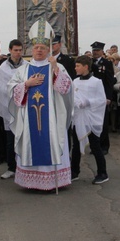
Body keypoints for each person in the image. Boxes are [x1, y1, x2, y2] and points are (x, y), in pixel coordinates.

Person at [7, 18, 73, 191]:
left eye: (42, 48)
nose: (39, 50)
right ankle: (31, 182)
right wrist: (26, 84)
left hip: (52, 119)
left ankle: (52, 182)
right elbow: (11, 91)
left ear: (48, 49)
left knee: (50, 139)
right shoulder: (23, 70)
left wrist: (56, 70)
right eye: (36, 47)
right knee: (32, 139)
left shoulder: (55, 67)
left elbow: (66, 88)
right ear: (32, 48)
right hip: (28, 120)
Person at [71, 55, 109, 184]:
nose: (75, 68)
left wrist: (87, 102)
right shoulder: (75, 81)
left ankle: (102, 173)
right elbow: (72, 96)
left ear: (86, 67)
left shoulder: (96, 82)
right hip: (78, 117)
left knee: (95, 145)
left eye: (78, 66)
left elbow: (101, 100)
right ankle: (74, 171)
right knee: (75, 146)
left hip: (90, 118)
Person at [0, 39, 25, 179]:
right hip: (9, 106)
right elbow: (0, 89)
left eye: (20, 50)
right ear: (10, 50)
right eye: (15, 50)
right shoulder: (3, 68)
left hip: (23, 107)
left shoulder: (27, 66)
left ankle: (24, 166)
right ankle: (11, 167)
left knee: (24, 138)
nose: (18, 53)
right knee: (10, 138)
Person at [90, 41, 115, 154]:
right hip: (91, 97)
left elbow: (109, 81)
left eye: (97, 50)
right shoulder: (89, 62)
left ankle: (104, 146)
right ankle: (94, 146)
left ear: (102, 51)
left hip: (103, 96)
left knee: (103, 122)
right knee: (92, 122)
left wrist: (109, 97)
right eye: (93, 50)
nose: (95, 52)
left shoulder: (107, 63)